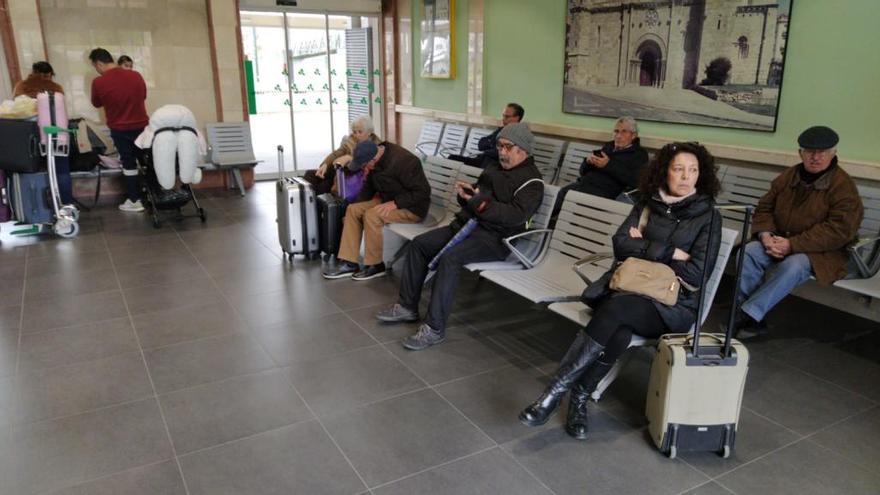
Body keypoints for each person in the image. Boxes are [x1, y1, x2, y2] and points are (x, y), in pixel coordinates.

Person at [519, 142, 722, 439]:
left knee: (617, 309)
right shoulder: (647, 204)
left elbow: (697, 272)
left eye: (693, 170)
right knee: (620, 329)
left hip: (673, 304)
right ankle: (578, 398)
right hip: (630, 290)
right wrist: (673, 253)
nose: (686, 177)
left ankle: (552, 393)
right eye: (678, 169)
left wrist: (645, 249)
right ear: (664, 172)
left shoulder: (708, 217)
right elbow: (621, 245)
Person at [376, 122, 545, 351]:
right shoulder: (494, 167)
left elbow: (515, 216)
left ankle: (434, 329)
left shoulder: (532, 182)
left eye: (507, 147)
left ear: (522, 149)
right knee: (419, 245)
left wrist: (478, 202)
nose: (501, 152)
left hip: (495, 239)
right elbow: (479, 194)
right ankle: (407, 306)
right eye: (500, 146)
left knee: (450, 259)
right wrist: (466, 195)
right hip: (466, 227)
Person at [731, 126, 863, 339]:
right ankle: (750, 315)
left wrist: (792, 245)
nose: (815, 157)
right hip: (779, 239)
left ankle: (747, 314)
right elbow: (765, 207)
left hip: (822, 252)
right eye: (809, 151)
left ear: (834, 153)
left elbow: (838, 231)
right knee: (749, 253)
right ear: (800, 153)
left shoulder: (842, 187)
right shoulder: (789, 176)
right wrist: (765, 236)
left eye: (823, 152)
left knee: (794, 265)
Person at [322, 139, 431, 280]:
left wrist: (396, 203)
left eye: (365, 166)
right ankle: (349, 262)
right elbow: (368, 189)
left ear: (373, 159)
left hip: (412, 207)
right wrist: (353, 208)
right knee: (353, 210)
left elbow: (423, 192)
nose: (364, 169)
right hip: (388, 198)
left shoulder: (405, 161)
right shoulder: (374, 158)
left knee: (372, 215)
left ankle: (376, 265)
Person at [551, 116, 649, 218]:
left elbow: (635, 181)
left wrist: (608, 165)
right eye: (616, 131)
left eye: (624, 132)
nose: (619, 135)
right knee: (560, 194)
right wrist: (588, 162)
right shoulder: (608, 147)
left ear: (633, 135)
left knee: (573, 199)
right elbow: (582, 172)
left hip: (605, 192)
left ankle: (561, 228)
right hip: (584, 184)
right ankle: (544, 225)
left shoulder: (639, 154)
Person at [89, 47, 149, 212]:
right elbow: (143, 96)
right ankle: (155, 195)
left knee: (128, 163)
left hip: (120, 129)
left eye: (95, 66)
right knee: (147, 160)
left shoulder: (99, 82)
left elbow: (96, 103)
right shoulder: (136, 75)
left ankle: (134, 200)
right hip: (142, 126)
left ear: (99, 63)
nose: (97, 70)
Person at [12, 61, 74, 204]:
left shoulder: (21, 86)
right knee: (62, 171)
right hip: (56, 136)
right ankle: (66, 204)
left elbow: (15, 110)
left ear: (32, 72)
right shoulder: (56, 88)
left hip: (29, 137)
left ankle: (36, 207)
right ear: (51, 74)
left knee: (30, 172)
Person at [303, 115, 381, 195]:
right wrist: (325, 164)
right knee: (310, 175)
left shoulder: (375, 146)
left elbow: (367, 164)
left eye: (360, 132)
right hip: (338, 171)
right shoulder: (351, 140)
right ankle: (307, 203)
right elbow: (337, 153)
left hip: (349, 176)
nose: (356, 135)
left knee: (323, 187)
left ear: (369, 132)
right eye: (354, 132)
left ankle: (314, 205)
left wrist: (350, 158)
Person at [448, 103, 524, 168]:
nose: (503, 119)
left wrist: (489, 147)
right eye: (503, 116)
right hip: (481, 160)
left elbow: (499, 153)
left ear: (517, 118)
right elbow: (481, 144)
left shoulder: (519, 135)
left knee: (486, 166)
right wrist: (492, 145)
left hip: (494, 166)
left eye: (507, 117)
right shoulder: (501, 130)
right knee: (452, 158)